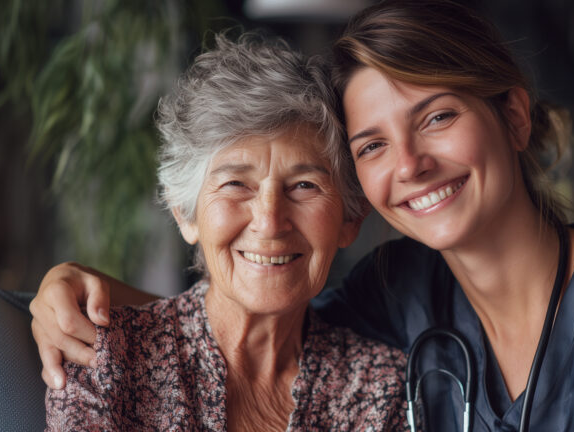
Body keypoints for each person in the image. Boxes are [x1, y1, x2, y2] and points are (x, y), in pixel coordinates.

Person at [32, 1, 574, 430]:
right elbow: (254, 315)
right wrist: (75, 291)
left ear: (515, 117)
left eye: (437, 117)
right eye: (372, 145)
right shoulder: (401, 288)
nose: (410, 164)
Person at [41, 32, 409, 431]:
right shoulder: (108, 358)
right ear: (185, 214)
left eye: (304, 186)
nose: (269, 221)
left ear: (351, 219)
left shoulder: (380, 387)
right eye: (236, 184)